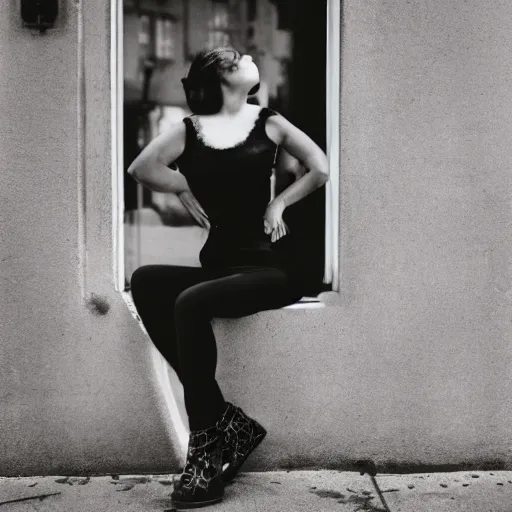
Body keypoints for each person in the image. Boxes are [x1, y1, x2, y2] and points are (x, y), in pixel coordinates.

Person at [127, 47, 329, 509]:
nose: (251, 57)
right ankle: (226, 421)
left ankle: (204, 449)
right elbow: (141, 168)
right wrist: (181, 185)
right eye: (239, 56)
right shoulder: (189, 131)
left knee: (190, 303)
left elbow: (319, 168)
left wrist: (279, 203)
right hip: (220, 264)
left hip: (274, 267)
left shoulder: (269, 122)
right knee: (146, 281)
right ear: (219, 74)